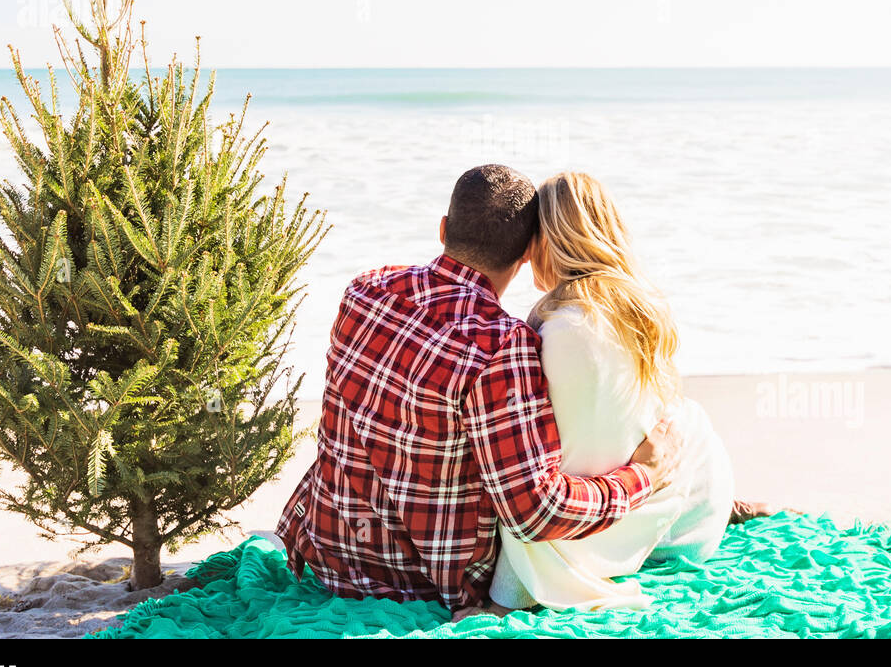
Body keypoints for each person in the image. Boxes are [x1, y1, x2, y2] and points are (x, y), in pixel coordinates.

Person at [274, 164, 682, 615]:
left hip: (329, 557)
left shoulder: (364, 292)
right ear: (527, 254)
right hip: (422, 586)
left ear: (444, 228)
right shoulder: (502, 347)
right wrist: (642, 477)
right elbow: (536, 513)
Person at [489, 171, 738, 611]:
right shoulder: (637, 309)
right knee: (686, 419)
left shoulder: (557, 329)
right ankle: (731, 504)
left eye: (532, 240)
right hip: (688, 522)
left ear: (551, 239)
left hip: (596, 532)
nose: (526, 257)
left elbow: (559, 464)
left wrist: (507, 595)